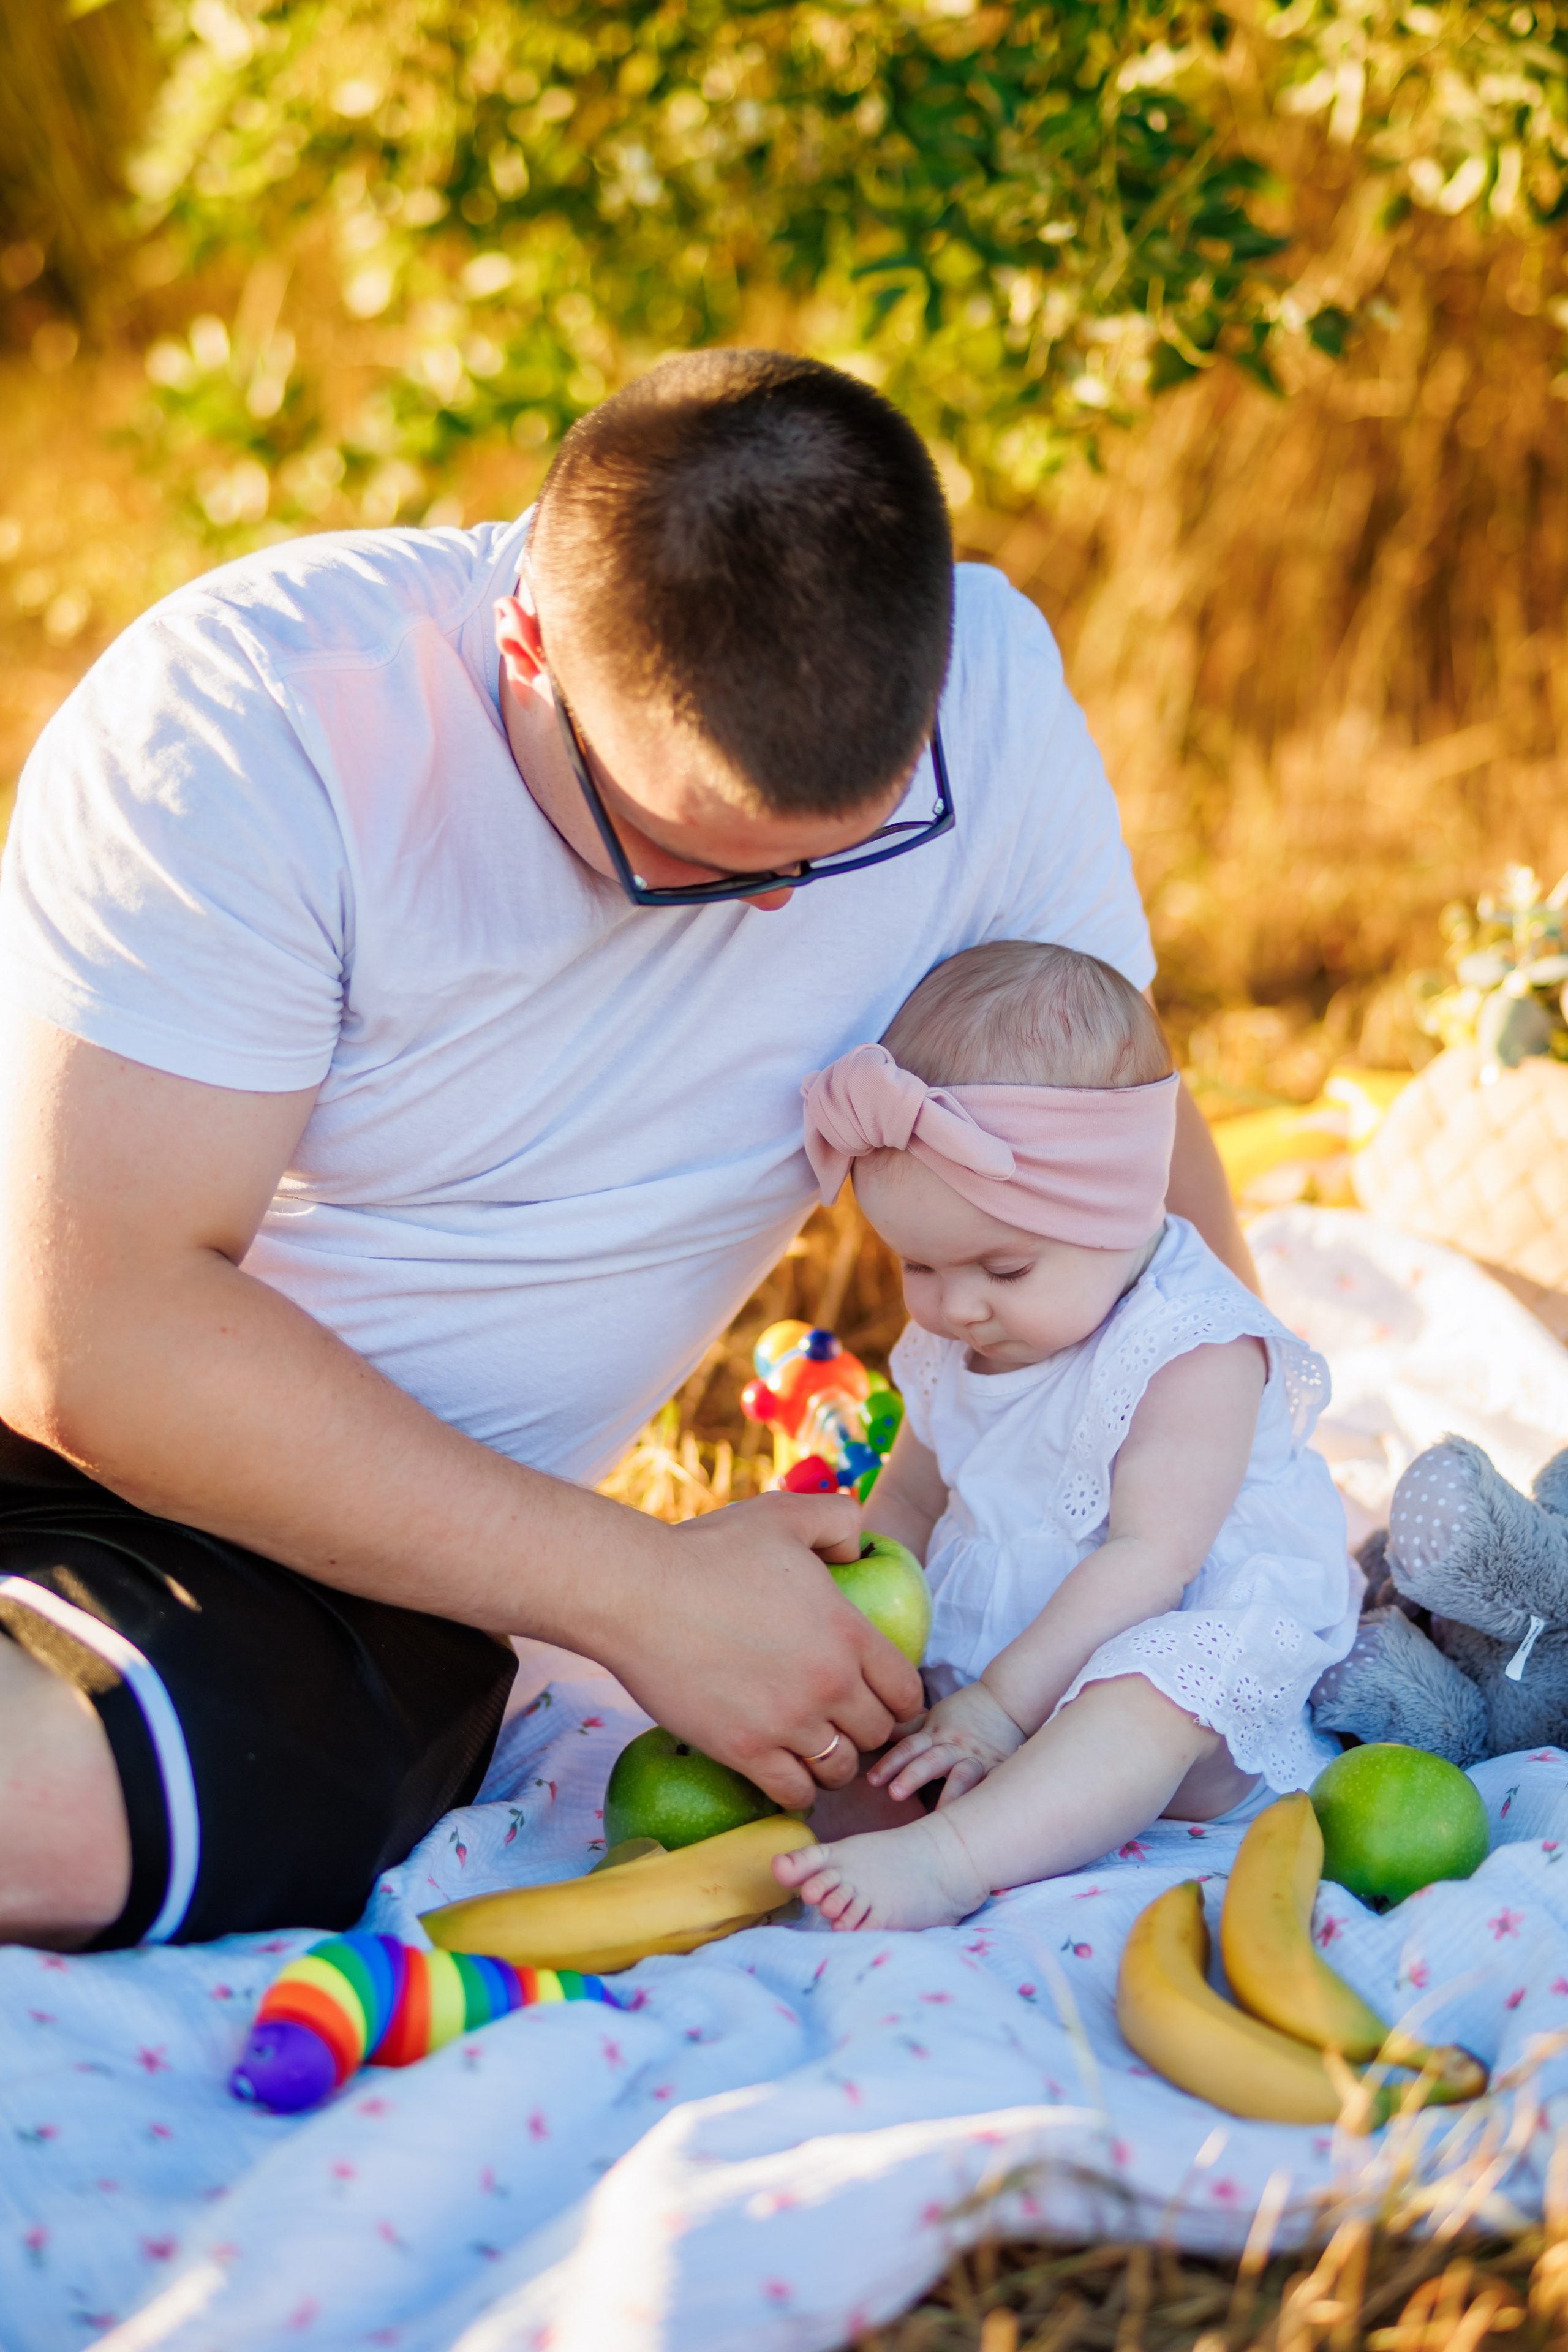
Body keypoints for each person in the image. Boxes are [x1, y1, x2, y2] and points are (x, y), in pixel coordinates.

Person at [0, 350, 1254, 1952]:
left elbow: (1108, 1146)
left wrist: (1231, 1490)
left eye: (848, 846)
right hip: (79, 1392)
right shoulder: (259, 718)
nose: (779, 908)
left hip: (363, 1548)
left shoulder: (991, 708)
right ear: (523, 640)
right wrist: (636, 1593)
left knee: (55, 1817)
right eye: (686, 858)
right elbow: (90, 1335)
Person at [773, 941, 1359, 1932]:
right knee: (848, 1763)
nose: (956, 1306)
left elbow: (1151, 1559)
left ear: (1126, 1211)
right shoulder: (960, 1336)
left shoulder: (1193, 1349)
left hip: (1175, 1672)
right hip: (1002, 1668)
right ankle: (891, 1817)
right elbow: (910, 1501)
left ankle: (958, 1859)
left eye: (1003, 1270)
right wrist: (860, 1640)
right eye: (918, 1266)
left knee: (1161, 1681)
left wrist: (1003, 1708)